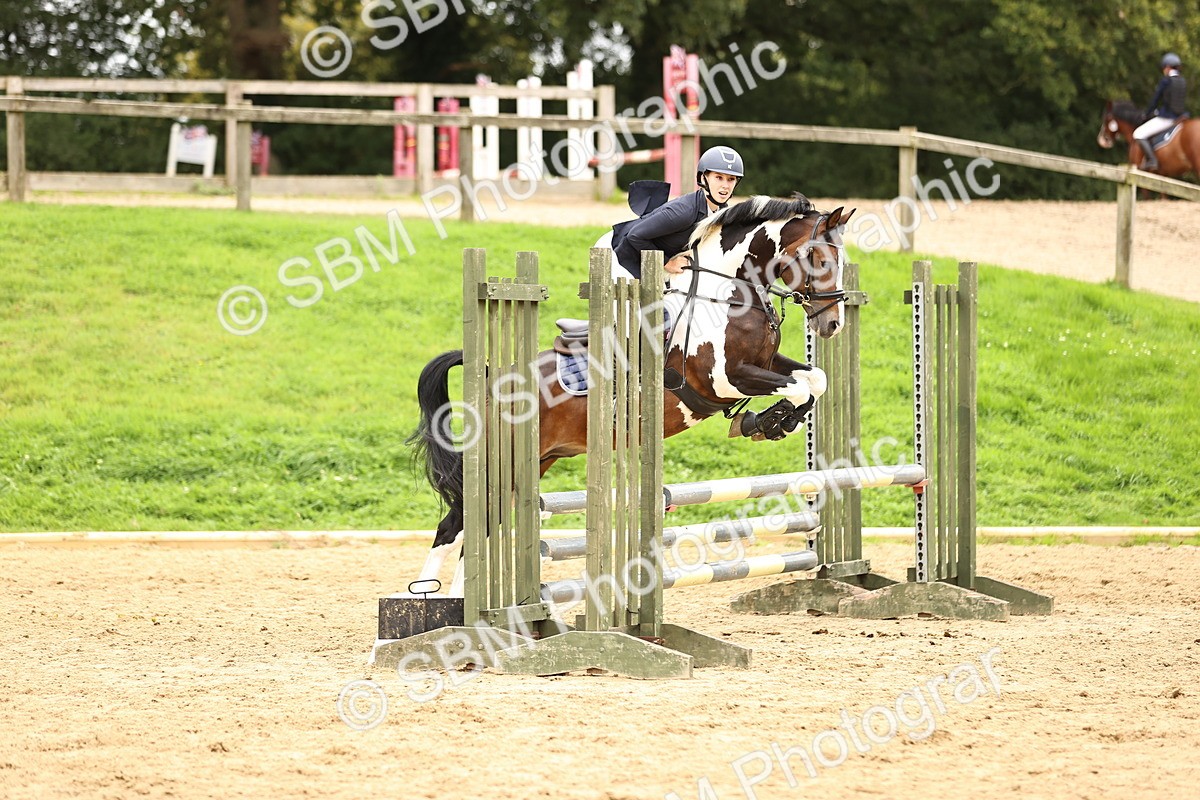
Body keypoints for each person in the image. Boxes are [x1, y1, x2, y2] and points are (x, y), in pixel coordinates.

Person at [610, 145, 744, 278]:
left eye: (731, 179)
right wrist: (667, 263)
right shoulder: (684, 212)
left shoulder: (722, 212)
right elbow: (634, 235)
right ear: (704, 178)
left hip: (661, 263)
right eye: (719, 177)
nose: (725, 186)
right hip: (626, 257)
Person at [1134, 53, 1187, 171]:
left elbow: (1155, 100)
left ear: (1167, 67)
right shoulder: (1182, 81)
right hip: (1181, 117)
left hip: (1167, 118)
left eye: (1164, 68)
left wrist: (1146, 114)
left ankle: (1152, 160)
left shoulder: (1166, 81)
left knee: (1138, 134)